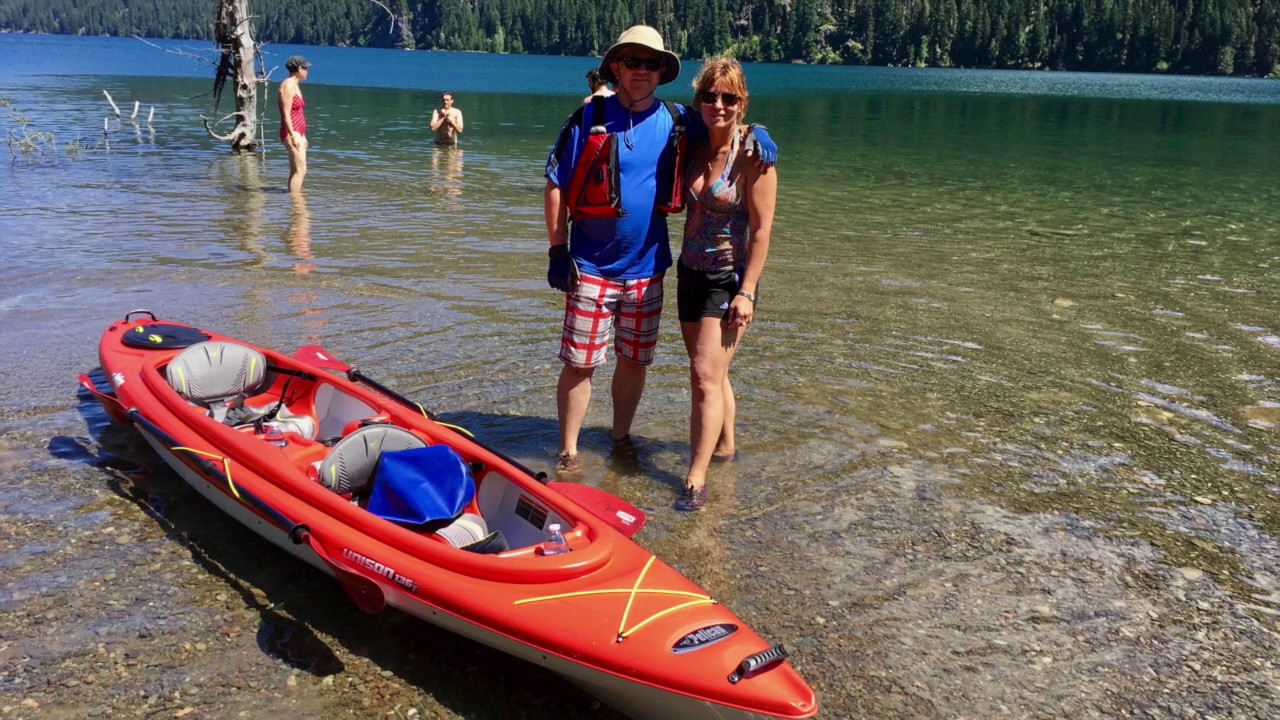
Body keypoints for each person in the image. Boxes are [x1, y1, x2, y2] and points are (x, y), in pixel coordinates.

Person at [543, 25, 776, 478]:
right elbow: (555, 183)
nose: (642, 71)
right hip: (590, 265)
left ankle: (620, 437)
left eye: (652, 64)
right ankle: (570, 451)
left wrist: (761, 130)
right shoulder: (586, 118)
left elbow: (724, 120)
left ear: (661, 73)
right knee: (580, 363)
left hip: (649, 269)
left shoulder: (678, 120)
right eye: (633, 62)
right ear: (617, 67)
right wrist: (557, 249)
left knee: (635, 361)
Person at [674, 58, 777, 512]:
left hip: (727, 278)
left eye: (729, 98)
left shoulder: (754, 156)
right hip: (689, 273)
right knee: (714, 375)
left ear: (742, 103)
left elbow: (761, 230)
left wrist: (747, 290)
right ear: (699, 100)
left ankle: (695, 480)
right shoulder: (695, 143)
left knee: (703, 376)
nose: (718, 105)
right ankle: (727, 448)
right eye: (710, 96)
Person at [277, 55, 310, 193]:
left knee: (297, 169)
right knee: (300, 170)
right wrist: (293, 135)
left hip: (298, 132)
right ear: (299, 69)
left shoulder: (295, 85)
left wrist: (303, 136)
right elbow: (285, 113)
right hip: (292, 132)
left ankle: (294, 200)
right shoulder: (287, 86)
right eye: (306, 68)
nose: (307, 72)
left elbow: (298, 112)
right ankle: (296, 203)